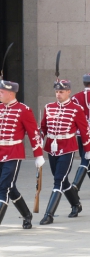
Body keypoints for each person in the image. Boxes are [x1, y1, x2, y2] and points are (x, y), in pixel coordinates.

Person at [39, 79, 90, 225]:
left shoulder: (76, 109)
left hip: (67, 148)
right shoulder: (48, 107)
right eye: (56, 91)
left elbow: (84, 131)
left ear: (69, 91)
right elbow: (43, 127)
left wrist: (88, 150)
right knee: (63, 180)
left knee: (58, 181)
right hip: (51, 147)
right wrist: (39, 139)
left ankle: (49, 214)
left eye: (61, 92)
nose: (58, 94)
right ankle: (76, 204)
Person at [0, 79, 45, 229]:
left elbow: (34, 133)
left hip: (13, 153)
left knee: (4, 187)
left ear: (11, 93)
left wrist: (38, 155)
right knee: (10, 188)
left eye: (2, 92)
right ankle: (26, 214)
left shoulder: (23, 110)